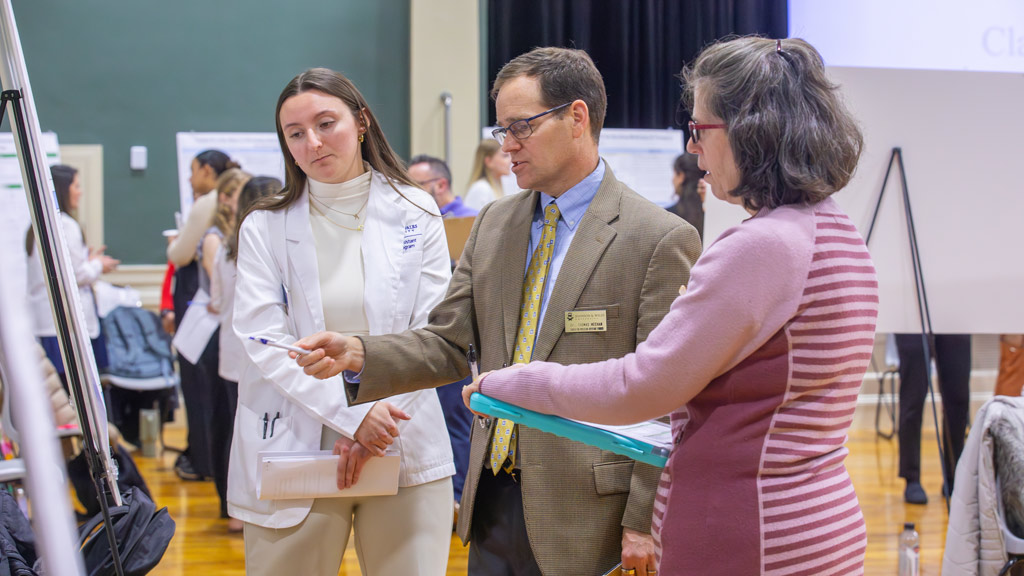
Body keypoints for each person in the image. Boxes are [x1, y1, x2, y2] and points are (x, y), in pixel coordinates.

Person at [459, 37, 877, 574]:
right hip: (811, 517)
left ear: (752, 130)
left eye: (701, 129)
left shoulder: (762, 246)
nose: (694, 147)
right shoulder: (834, 229)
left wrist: (512, 381)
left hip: (749, 528)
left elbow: (640, 386)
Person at [294, 47, 701, 576]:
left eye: (521, 127)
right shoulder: (495, 224)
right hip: (491, 503)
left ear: (577, 118)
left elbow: (667, 398)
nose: (505, 145)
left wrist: (643, 521)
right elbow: (447, 342)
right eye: (501, 128)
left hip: (590, 514)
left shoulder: (657, 238)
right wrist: (357, 352)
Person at [228, 67, 454, 576]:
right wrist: (353, 417)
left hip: (401, 435)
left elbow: (435, 332)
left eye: (326, 123)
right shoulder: (265, 225)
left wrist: (375, 422)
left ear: (362, 121)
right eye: (295, 134)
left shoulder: (416, 208)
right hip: (294, 444)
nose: (313, 142)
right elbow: (264, 341)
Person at [165, 148, 239, 482]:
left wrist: (177, 243)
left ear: (208, 171)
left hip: (207, 304)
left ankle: (206, 461)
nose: (189, 177)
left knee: (203, 388)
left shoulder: (207, 204)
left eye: (193, 170)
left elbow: (179, 254)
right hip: (221, 310)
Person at [27, 164, 119, 385]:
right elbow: (76, 276)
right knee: (74, 391)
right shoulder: (65, 225)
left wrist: (89, 262)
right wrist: (97, 264)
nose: (80, 192)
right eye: (76, 186)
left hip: (47, 323)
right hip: (67, 326)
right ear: (62, 189)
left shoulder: (37, 224)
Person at [200, 167, 251, 532]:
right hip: (252, 356)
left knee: (232, 431)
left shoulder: (224, 249)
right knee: (251, 432)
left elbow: (216, 301)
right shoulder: (259, 248)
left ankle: (232, 507)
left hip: (230, 354)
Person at [895, 333, 971, 504]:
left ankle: (954, 475)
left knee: (958, 398)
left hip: (955, 315)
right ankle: (911, 477)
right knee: (912, 397)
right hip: (912, 318)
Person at [409, 154, 477, 218]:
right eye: (408, 186)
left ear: (441, 185)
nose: (410, 192)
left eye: (416, 185)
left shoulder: (472, 220)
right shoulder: (416, 219)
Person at [463, 139, 512, 211]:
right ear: (488, 161)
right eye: (505, 156)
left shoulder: (501, 186)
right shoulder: (481, 188)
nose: (510, 160)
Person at [667, 152, 706, 241]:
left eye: (674, 174)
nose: (672, 179)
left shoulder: (668, 216)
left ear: (681, 176)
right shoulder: (711, 213)